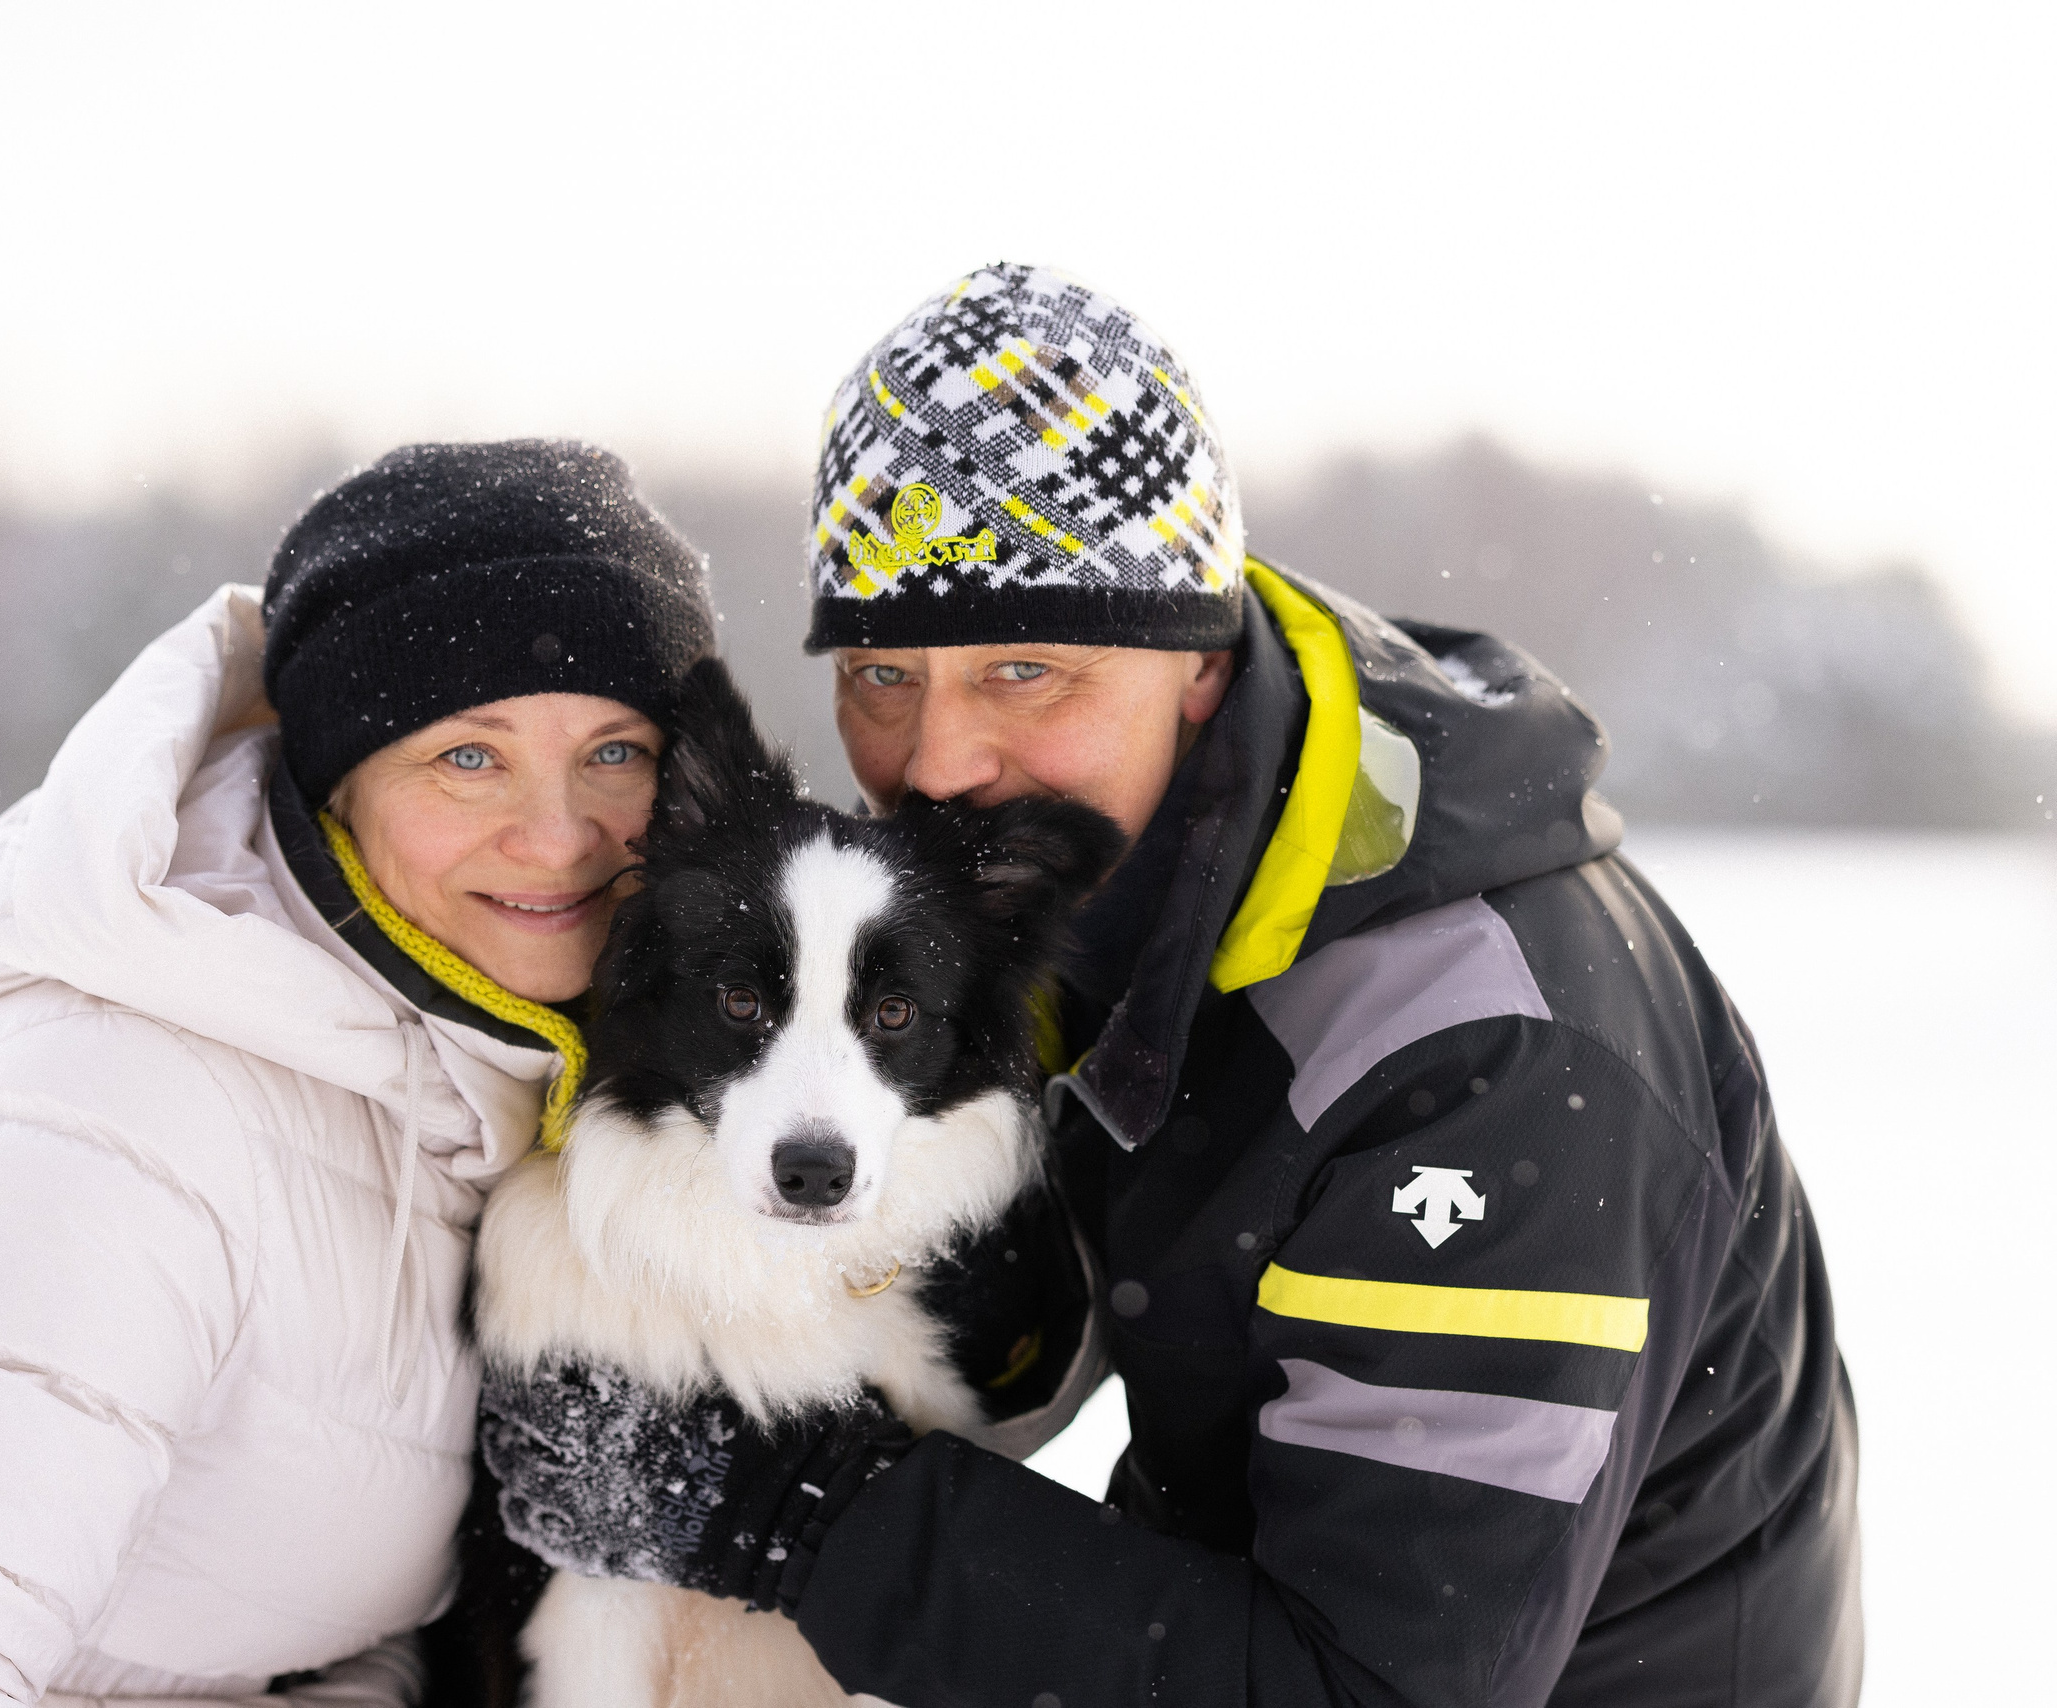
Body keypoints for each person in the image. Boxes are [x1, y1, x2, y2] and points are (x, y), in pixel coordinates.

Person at [481, 265, 1863, 1707]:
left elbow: (1369, 1691)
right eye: (885, 675)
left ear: (1196, 663)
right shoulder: (1135, 886)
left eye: (1026, 669)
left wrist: (791, 1514)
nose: (938, 760)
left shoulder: (1479, 1056)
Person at [0, 440, 718, 1706]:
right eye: (467, 756)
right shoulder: (118, 1105)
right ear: (335, 782)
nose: (561, 832)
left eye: (617, 751)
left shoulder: (488, 1074)